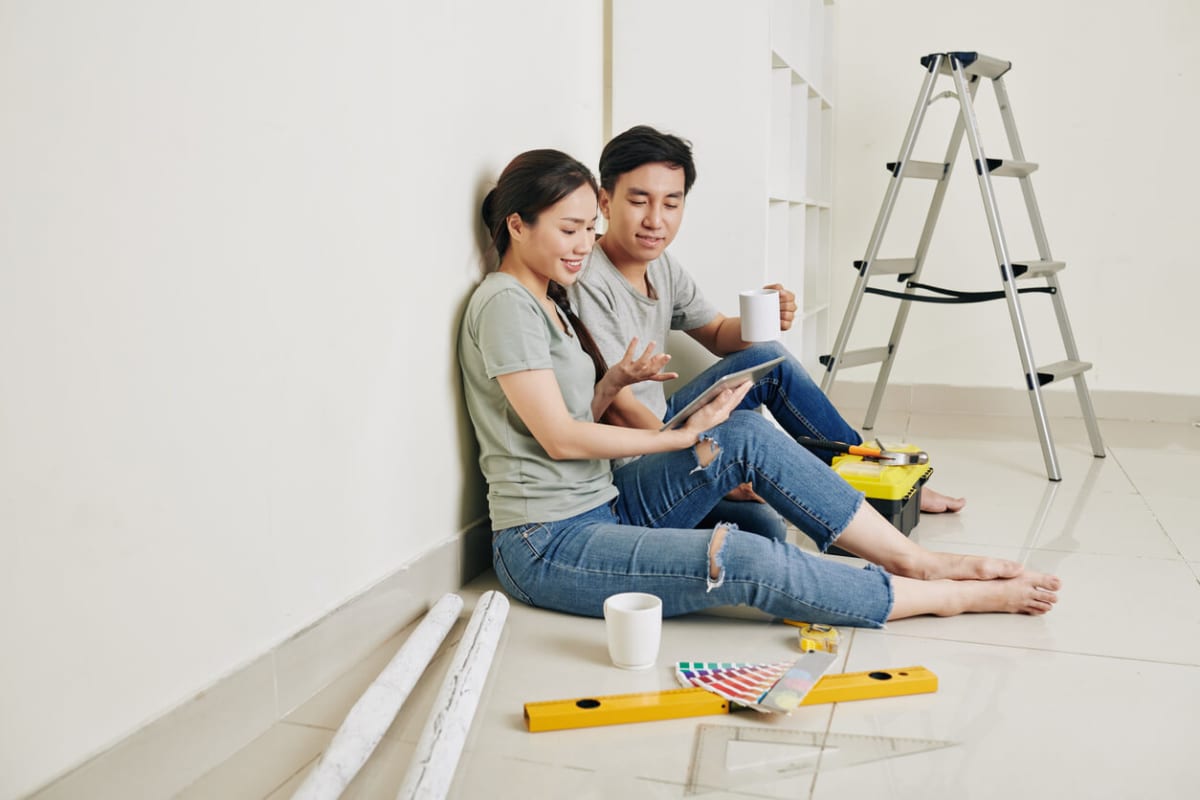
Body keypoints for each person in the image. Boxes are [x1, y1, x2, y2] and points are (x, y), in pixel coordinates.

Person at [458, 147, 1059, 625]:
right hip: (547, 542)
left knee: (742, 435)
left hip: (604, 503)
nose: (584, 245)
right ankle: (939, 597)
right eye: (571, 230)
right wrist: (682, 438)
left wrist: (614, 380)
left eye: (588, 229)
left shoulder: (547, 300)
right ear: (517, 224)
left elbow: (565, 414)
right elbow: (560, 440)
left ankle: (917, 562)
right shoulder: (507, 305)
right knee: (746, 555)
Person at [568, 125, 965, 542]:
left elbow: (719, 333)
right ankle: (854, 492)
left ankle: (876, 478)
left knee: (767, 359)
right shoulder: (590, 279)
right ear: (605, 202)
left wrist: (764, 317)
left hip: (662, 424)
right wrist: (701, 454)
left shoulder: (661, 266)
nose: (656, 219)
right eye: (638, 201)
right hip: (633, 453)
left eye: (672, 203)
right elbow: (617, 407)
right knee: (765, 529)